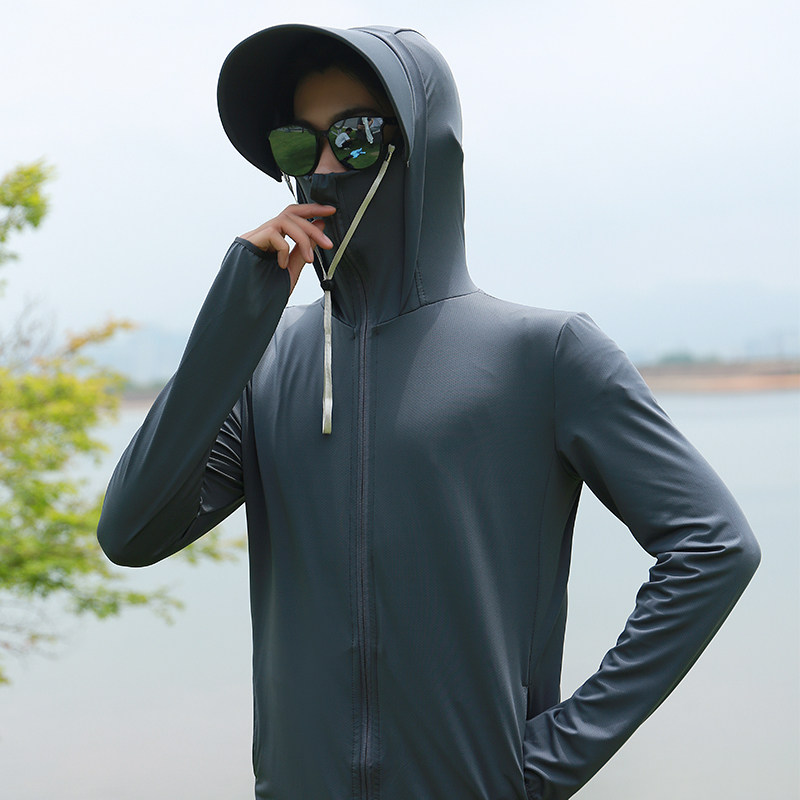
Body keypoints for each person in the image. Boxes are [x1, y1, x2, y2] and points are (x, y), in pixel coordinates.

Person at [97, 24, 760, 800]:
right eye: (298, 142)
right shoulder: (266, 368)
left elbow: (714, 547)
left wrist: (547, 762)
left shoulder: (544, 355)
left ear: (422, 153)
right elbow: (129, 534)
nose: (323, 167)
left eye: (355, 137)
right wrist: (232, 323)